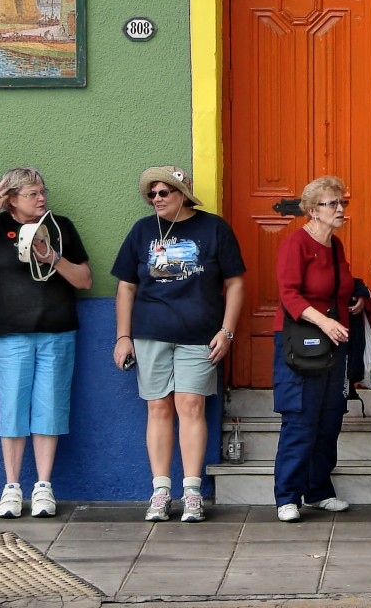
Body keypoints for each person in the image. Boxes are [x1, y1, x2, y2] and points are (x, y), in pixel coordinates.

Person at [0, 167, 92, 519]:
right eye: (33, 194)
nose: (42, 198)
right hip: (11, 334)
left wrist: (53, 258)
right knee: (13, 409)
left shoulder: (60, 226)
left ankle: (44, 486)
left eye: (42, 191)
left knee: (50, 408)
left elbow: (84, 280)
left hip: (57, 332)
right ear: (12, 199)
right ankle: (12, 487)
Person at [112, 166, 245, 524]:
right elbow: (126, 286)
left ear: (182, 194)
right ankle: (159, 491)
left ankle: (192, 491)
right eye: (151, 194)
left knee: (191, 405)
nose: (156, 199)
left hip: (200, 334)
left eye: (163, 193)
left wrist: (227, 331)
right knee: (158, 407)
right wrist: (123, 336)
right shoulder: (142, 231)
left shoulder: (213, 228)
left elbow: (235, 283)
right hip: (150, 333)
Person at [272, 175, 363, 523]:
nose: (340, 209)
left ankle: (319, 490)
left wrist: (353, 301)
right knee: (301, 419)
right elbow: (290, 293)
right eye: (332, 204)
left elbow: (339, 284)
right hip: (302, 341)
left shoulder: (335, 245)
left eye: (343, 203)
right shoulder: (295, 243)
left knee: (329, 418)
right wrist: (324, 322)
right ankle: (287, 496)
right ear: (312, 211)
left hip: (334, 341)